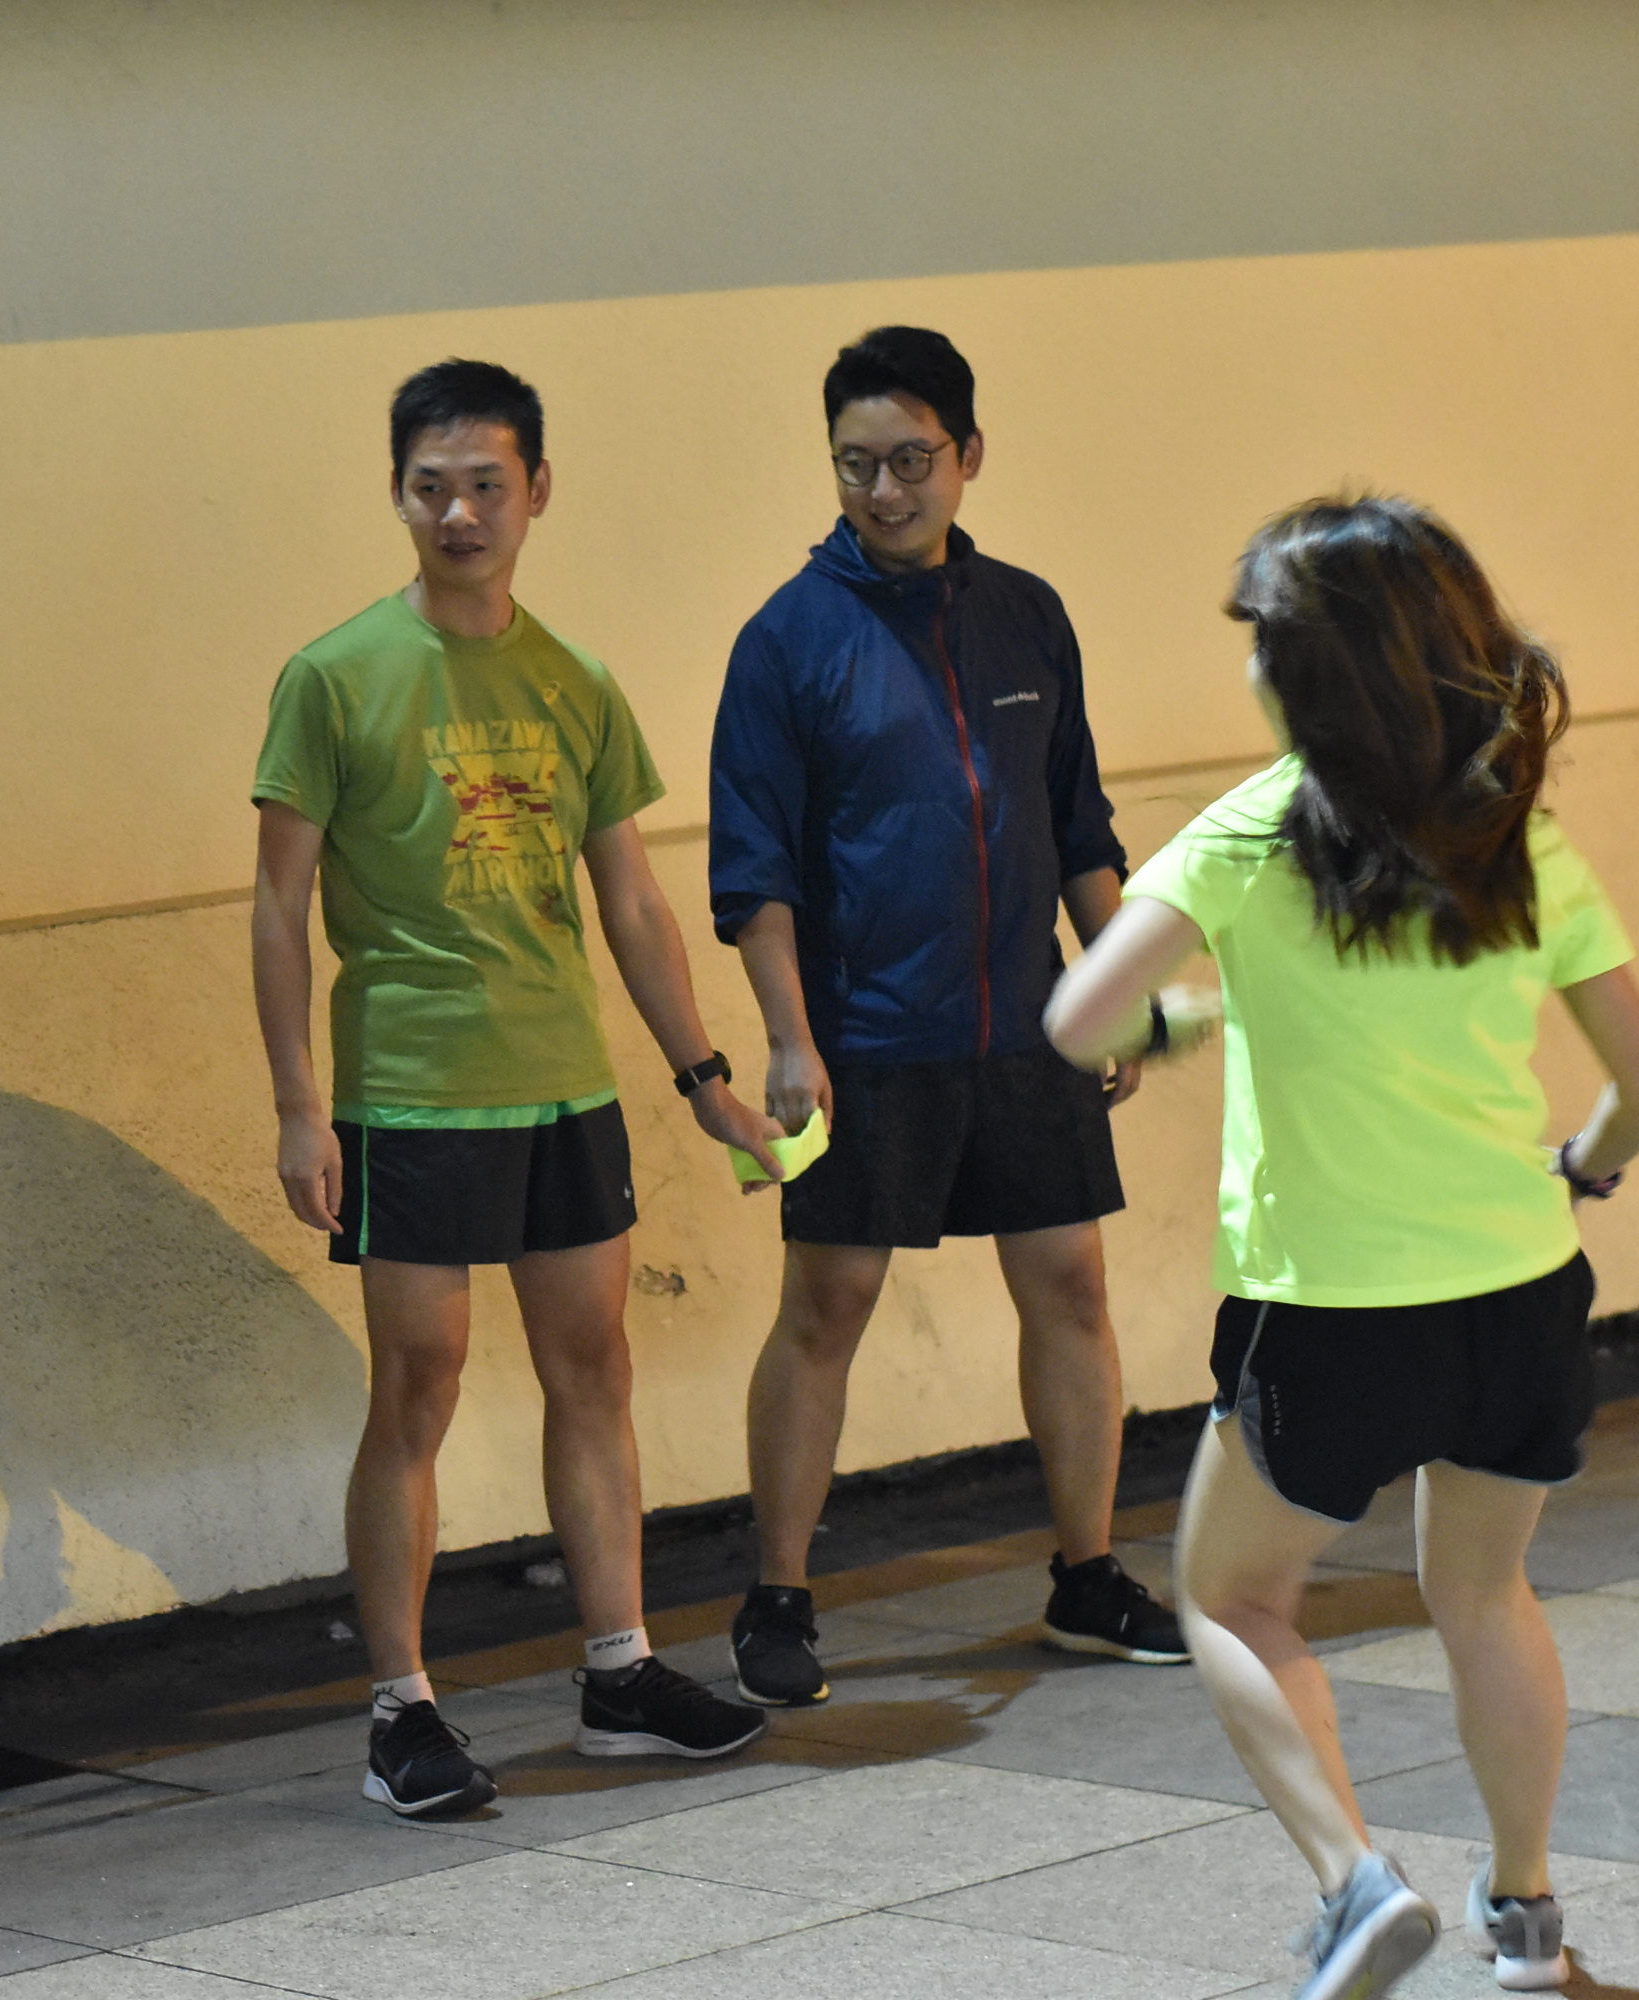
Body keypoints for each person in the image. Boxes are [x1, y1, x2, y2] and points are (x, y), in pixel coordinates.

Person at [1046, 495, 1639, 1998]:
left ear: (1305, 672)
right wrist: (1585, 1163)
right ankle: (1525, 1920)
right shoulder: (1512, 832)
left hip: (1329, 1310)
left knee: (1231, 1596)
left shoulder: (1249, 832)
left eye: (1261, 643)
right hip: (1518, 1289)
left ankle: (1354, 1883)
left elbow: (1078, 1020)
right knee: (1485, 1597)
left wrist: (1178, 1024)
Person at [253, 358, 793, 1817]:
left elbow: (633, 902)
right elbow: (278, 907)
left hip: (562, 1083)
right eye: (431, 486)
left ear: (536, 490)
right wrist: (300, 1105)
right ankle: (401, 1707)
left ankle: (620, 1671)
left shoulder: (576, 681)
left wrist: (703, 1077)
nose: (460, 512)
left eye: (486, 484)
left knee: (595, 1367)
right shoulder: (331, 677)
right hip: (410, 1087)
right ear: (397, 495)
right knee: (418, 1383)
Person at [708, 324, 1185, 1709]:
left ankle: (1087, 1574)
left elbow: (1078, 825)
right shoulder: (787, 640)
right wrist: (789, 1037)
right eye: (855, 464)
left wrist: (1115, 983)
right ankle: (777, 1595)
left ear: (968, 454)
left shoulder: (1027, 616)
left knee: (1071, 1286)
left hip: (1026, 1030)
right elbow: (755, 872)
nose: (884, 490)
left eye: (911, 460)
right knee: (829, 1304)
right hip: (867, 1041)